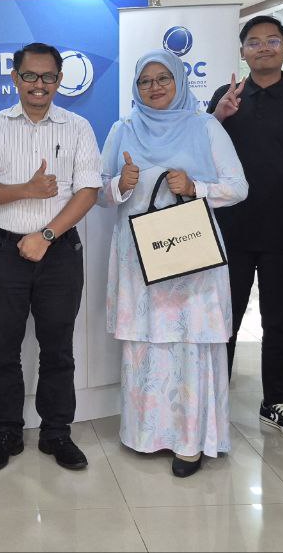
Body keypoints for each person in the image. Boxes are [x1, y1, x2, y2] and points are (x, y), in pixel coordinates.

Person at [99, 51, 248, 477]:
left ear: (180, 81)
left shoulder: (206, 126)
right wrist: (119, 185)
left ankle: (190, 442)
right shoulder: (122, 129)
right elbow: (98, 193)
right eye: (146, 81)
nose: (156, 87)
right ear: (136, 88)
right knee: (146, 342)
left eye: (164, 78)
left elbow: (239, 187)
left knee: (190, 343)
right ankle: (146, 435)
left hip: (191, 255)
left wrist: (195, 186)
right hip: (138, 257)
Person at [0, 42, 102, 472]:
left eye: (48, 77)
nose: (39, 85)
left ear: (60, 81)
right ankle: (6, 431)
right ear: (15, 78)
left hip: (59, 250)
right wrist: (27, 188)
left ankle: (56, 433)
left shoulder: (79, 127)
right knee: (2, 348)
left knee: (57, 348)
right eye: (30, 76)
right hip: (3, 249)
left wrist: (46, 234)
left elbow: (89, 191)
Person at [206, 15, 283, 438]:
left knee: (280, 320)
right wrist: (218, 117)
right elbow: (201, 155)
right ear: (242, 52)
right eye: (253, 42)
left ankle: (275, 401)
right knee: (224, 318)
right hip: (229, 230)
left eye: (272, 41)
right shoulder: (226, 97)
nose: (263, 48)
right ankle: (212, 398)